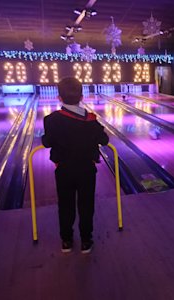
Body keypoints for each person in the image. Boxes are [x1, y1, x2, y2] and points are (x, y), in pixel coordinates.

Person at [42, 77, 109, 254]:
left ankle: (66, 241)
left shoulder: (51, 120)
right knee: (86, 205)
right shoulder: (91, 121)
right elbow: (105, 140)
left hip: (63, 171)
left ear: (59, 97)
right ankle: (86, 241)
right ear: (81, 96)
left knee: (65, 205)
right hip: (87, 170)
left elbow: (47, 143)